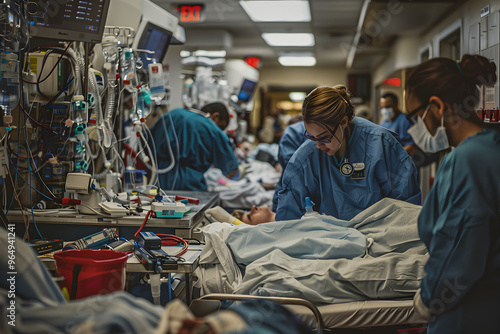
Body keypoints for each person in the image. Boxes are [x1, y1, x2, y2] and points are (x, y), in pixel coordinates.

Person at [406, 54, 500, 333]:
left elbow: (461, 252)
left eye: (415, 116)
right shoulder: (485, 148)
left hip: (469, 315)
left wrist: (430, 299)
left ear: (436, 106)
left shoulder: (469, 161)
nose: (416, 127)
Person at [275, 85, 421, 221]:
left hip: (380, 237)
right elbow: (288, 217)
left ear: (343, 122)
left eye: (324, 137)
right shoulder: (306, 158)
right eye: (312, 137)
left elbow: (405, 206)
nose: (318, 145)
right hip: (329, 239)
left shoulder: (380, 144)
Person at [149, 102, 239, 191]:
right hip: (190, 184)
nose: (220, 129)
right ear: (215, 117)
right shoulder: (213, 130)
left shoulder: (174, 114)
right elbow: (232, 170)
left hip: (159, 179)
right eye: (221, 126)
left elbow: (147, 147)